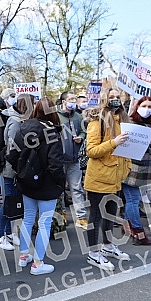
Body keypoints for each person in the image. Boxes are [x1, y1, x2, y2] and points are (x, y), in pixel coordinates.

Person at [7, 97, 65, 275]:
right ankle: (38, 263)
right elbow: (55, 163)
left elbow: (12, 155)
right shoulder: (52, 132)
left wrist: (22, 172)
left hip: (27, 182)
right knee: (45, 222)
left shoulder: (24, 128)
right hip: (47, 184)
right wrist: (60, 183)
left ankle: (24, 256)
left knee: (28, 218)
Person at [84, 87, 131, 271]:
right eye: (111, 97)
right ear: (104, 99)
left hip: (116, 177)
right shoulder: (97, 123)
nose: (115, 99)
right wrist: (114, 142)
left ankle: (108, 245)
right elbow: (91, 151)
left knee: (110, 215)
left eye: (118, 96)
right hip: (99, 179)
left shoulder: (122, 121)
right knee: (96, 217)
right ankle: (93, 253)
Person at [0, 92, 34, 251]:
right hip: (12, 169)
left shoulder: (19, 120)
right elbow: (12, 148)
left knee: (11, 203)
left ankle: (8, 233)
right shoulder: (16, 123)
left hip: (15, 168)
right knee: (8, 203)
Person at [121, 96, 151, 245]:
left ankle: (126, 225)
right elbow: (125, 145)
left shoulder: (150, 125)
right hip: (130, 166)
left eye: (150, 107)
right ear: (137, 106)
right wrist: (146, 141)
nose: (147, 109)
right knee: (133, 200)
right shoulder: (129, 123)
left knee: (133, 199)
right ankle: (138, 231)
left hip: (143, 167)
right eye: (144, 106)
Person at [57, 91, 88, 229]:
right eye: (71, 99)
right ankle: (61, 214)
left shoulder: (78, 116)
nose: (73, 101)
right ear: (63, 101)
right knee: (59, 189)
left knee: (77, 188)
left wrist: (81, 137)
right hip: (59, 158)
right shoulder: (56, 116)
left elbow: (83, 131)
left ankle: (81, 217)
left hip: (75, 159)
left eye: (75, 99)